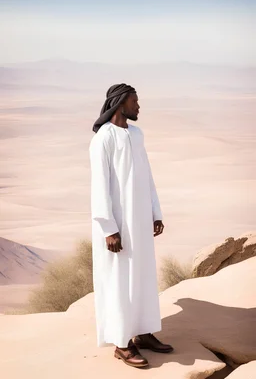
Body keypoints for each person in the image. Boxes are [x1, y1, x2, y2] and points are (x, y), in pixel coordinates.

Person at [89, 83, 173, 368]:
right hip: (118, 226)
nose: (139, 107)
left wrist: (155, 212)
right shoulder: (103, 139)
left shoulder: (136, 135)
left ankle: (143, 331)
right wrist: (108, 228)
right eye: (135, 101)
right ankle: (121, 344)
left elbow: (146, 175)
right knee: (120, 280)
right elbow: (99, 186)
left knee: (143, 276)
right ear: (121, 102)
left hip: (139, 222)